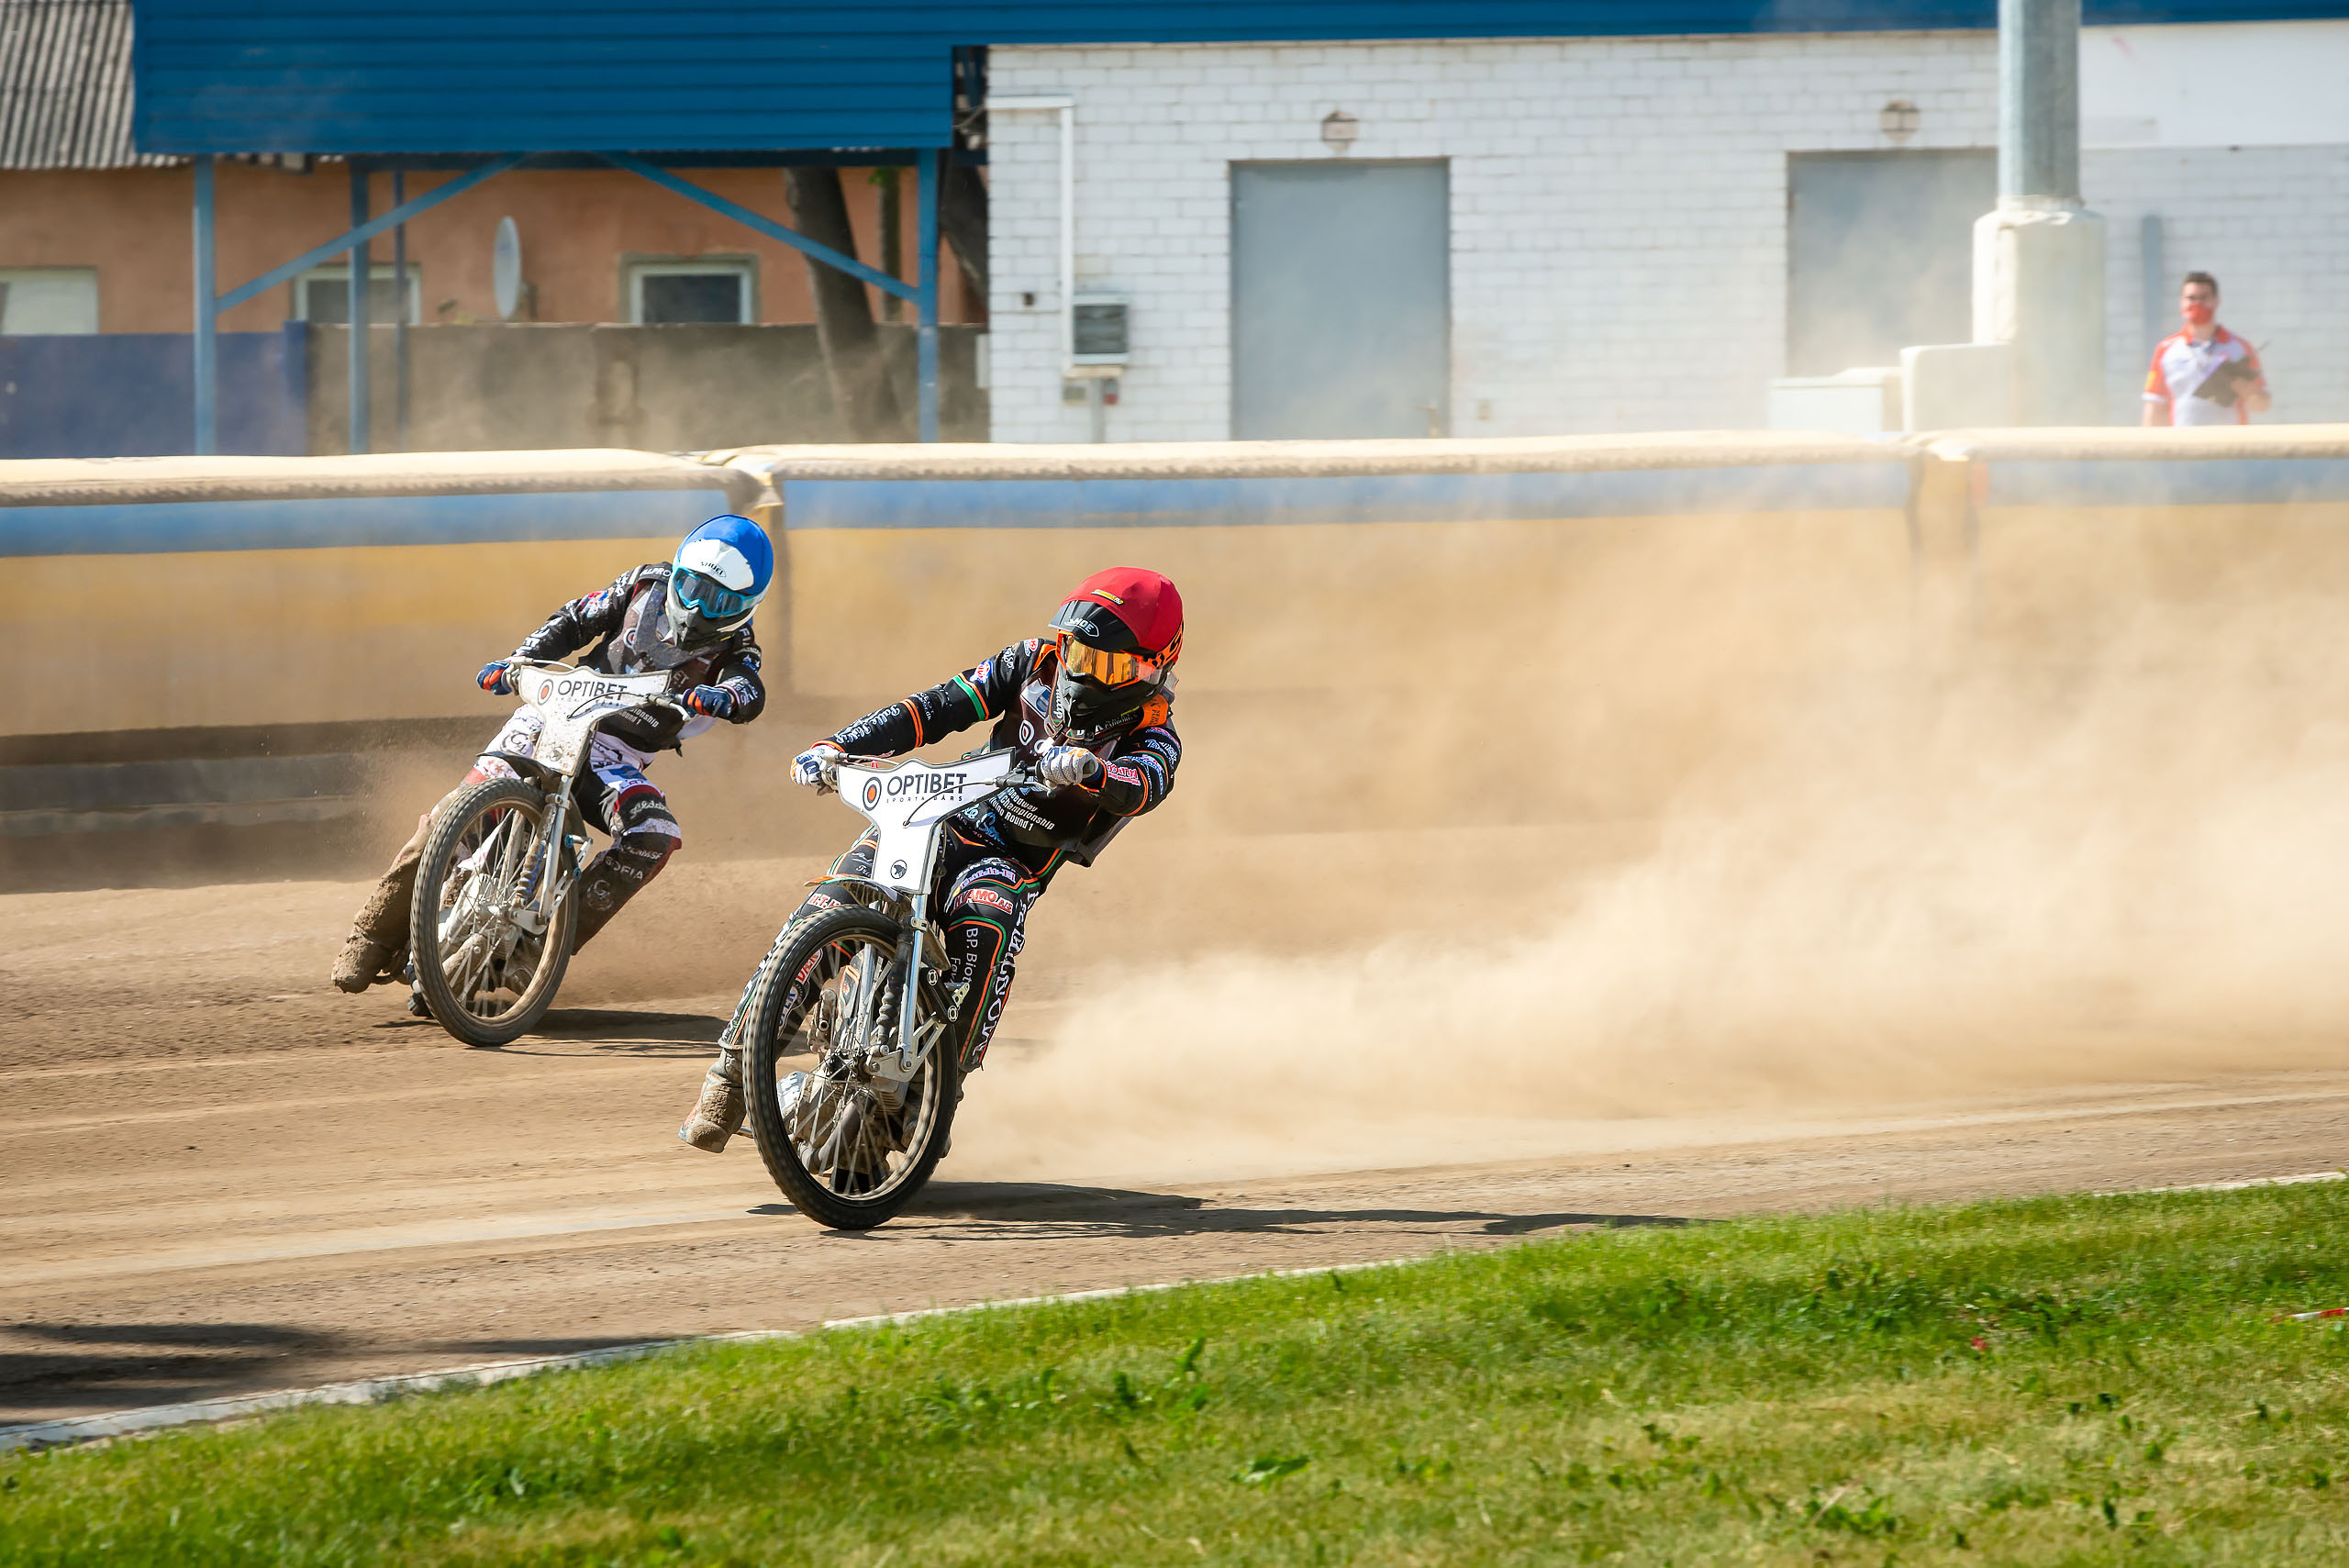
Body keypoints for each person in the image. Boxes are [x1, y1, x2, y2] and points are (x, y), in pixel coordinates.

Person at [677, 566, 1185, 1151]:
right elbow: (936, 708)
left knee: (987, 924)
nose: (1082, 670)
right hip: (936, 814)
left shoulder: (1154, 730)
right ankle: (732, 1072)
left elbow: (1147, 783)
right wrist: (839, 745)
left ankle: (935, 1096)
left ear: (1156, 665)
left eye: (1107, 664)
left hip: (1007, 861)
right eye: (1078, 651)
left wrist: (1098, 771)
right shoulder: (1030, 661)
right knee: (830, 901)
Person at [330, 513, 774, 1003]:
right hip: (550, 718)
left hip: (613, 758)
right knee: (460, 806)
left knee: (657, 834)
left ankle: (539, 951)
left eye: (717, 600)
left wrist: (725, 698)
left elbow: (749, 690)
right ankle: (372, 932)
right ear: (678, 571)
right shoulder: (643, 585)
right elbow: (574, 620)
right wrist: (519, 661)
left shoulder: (738, 648)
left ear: (747, 606)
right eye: (691, 587)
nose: (695, 606)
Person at [2143, 271, 2272, 427]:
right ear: (2181, 302)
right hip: (2183, 444)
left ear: (2216, 301)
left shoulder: (2240, 348)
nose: (2197, 304)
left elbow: (2263, 405)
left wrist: (2249, 391)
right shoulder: (2166, 350)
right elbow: (2154, 406)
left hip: (2231, 445)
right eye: (2191, 298)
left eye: (2204, 298)